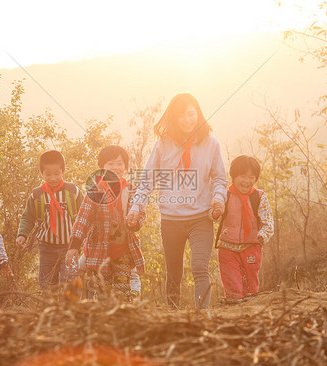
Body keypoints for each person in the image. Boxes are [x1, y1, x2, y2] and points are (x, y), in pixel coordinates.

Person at [127, 93, 228, 309]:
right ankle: (173, 315)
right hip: (171, 220)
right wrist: (137, 206)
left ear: (198, 114)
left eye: (191, 114)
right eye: (181, 116)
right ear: (173, 118)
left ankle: (203, 317)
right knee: (173, 271)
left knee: (200, 267)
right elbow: (147, 178)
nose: (187, 120)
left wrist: (218, 198)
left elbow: (219, 177)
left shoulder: (211, 143)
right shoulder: (163, 144)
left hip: (201, 218)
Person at [66, 145, 145, 302]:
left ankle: (120, 322)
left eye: (120, 163)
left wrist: (135, 222)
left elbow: (140, 213)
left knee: (122, 293)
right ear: (102, 168)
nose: (116, 167)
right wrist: (74, 246)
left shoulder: (131, 191)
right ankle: (103, 324)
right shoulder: (95, 192)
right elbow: (83, 218)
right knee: (102, 294)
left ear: (126, 166)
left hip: (124, 252)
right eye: (110, 164)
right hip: (99, 253)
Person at [16, 150, 84, 292]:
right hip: (47, 248)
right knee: (46, 286)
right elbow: (28, 216)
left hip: (70, 248)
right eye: (48, 174)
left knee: (70, 286)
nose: (53, 178)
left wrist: (84, 239)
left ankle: (69, 313)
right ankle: (48, 313)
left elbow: (85, 215)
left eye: (57, 173)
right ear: (42, 173)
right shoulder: (37, 195)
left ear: (63, 171)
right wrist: (22, 235)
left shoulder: (73, 191)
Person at [215, 156, 274, 302]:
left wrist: (262, 235)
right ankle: (234, 315)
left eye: (251, 177)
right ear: (234, 176)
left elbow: (268, 221)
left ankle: (250, 317)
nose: (246, 181)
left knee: (251, 288)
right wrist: (214, 212)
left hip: (251, 247)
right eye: (242, 176)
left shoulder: (259, 197)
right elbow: (213, 216)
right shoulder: (225, 195)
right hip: (227, 249)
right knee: (233, 288)